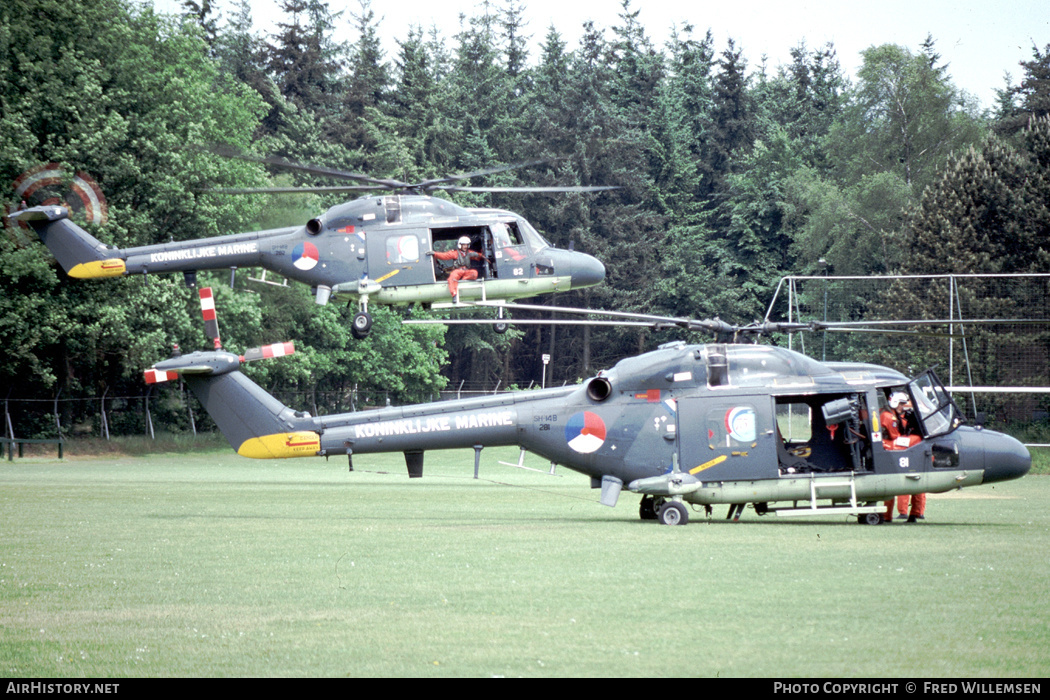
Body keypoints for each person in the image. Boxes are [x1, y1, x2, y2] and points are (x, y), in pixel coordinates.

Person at [881, 391, 922, 522]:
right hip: (887, 446)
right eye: (901, 404)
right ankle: (914, 513)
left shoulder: (893, 415)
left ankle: (889, 516)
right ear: (894, 403)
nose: (903, 407)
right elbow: (895, 438)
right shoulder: (889, 417)